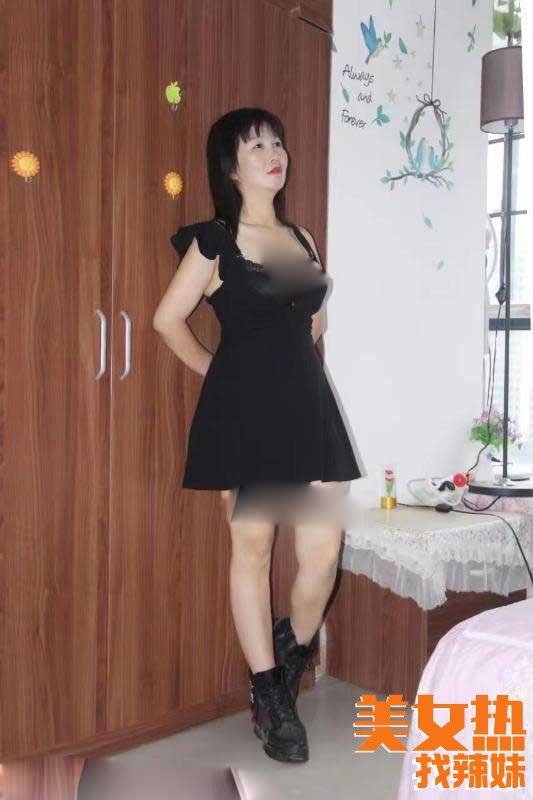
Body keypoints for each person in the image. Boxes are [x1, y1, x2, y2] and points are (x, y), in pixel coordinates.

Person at [153, 108, 364, 764]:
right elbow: (167, 319)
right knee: (253, 549)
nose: (275, 153)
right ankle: (271, 696)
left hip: (307, 409)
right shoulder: (216, 241)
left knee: (322, 554)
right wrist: (220, 373)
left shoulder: (300, 237)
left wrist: (293, 355)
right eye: (257, 146)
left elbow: (315, 322)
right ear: (231, 167)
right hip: (246, 414)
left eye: (277, 141)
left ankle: (286, 653)